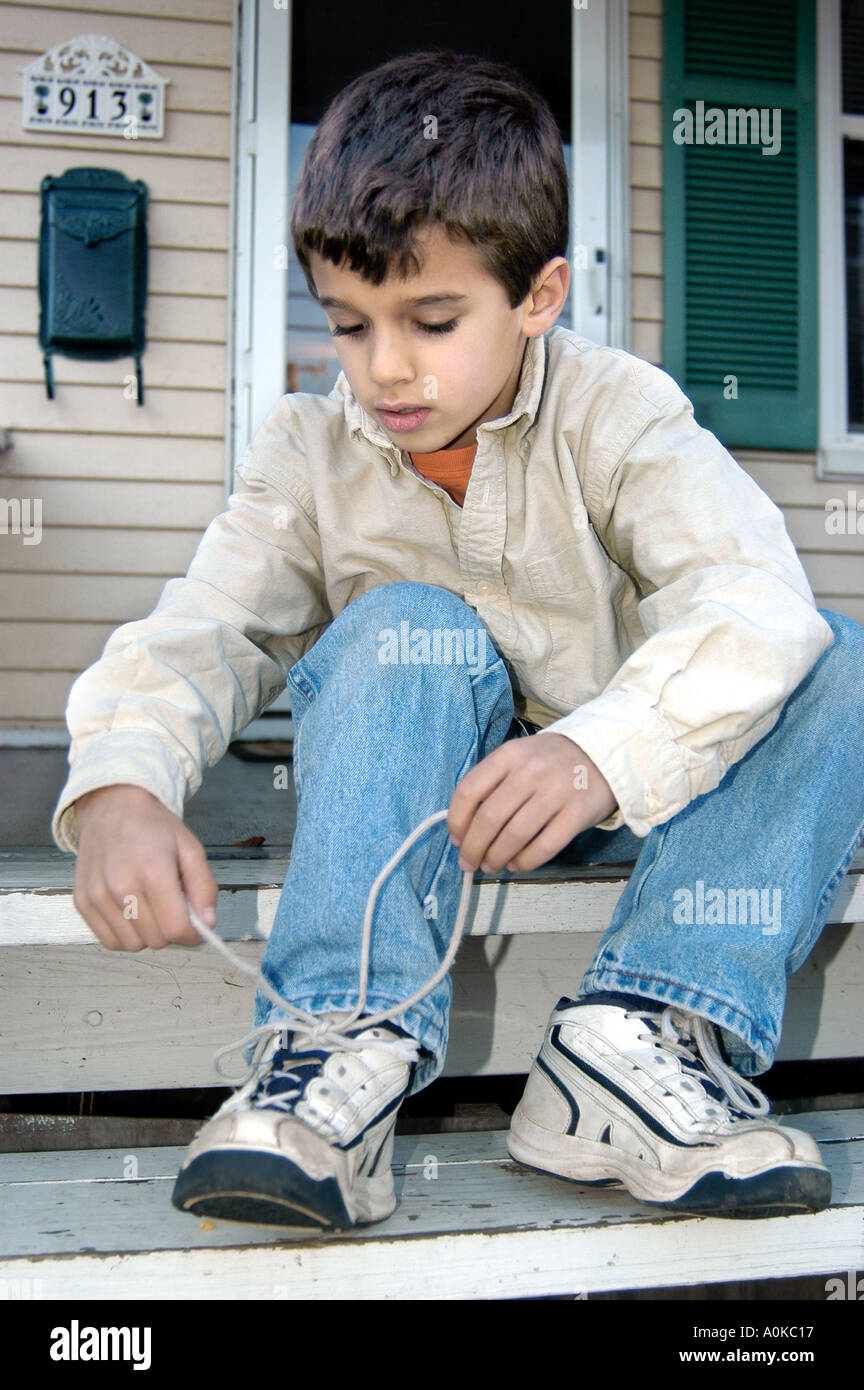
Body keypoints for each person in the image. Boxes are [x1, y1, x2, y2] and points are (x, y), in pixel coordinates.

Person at [52, 50, 864, 1231]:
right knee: (406, 623)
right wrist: (121, 784)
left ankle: (641, 1034)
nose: (385, 366)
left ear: (538, 297)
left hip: (649, 803)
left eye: (432, 321)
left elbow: (752, 596)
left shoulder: (617, 410)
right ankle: (338, 1043)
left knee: (833, 649)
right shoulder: (307, 452)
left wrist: (597, 753)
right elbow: (205, 626)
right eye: (348, 324)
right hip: (418, 825)